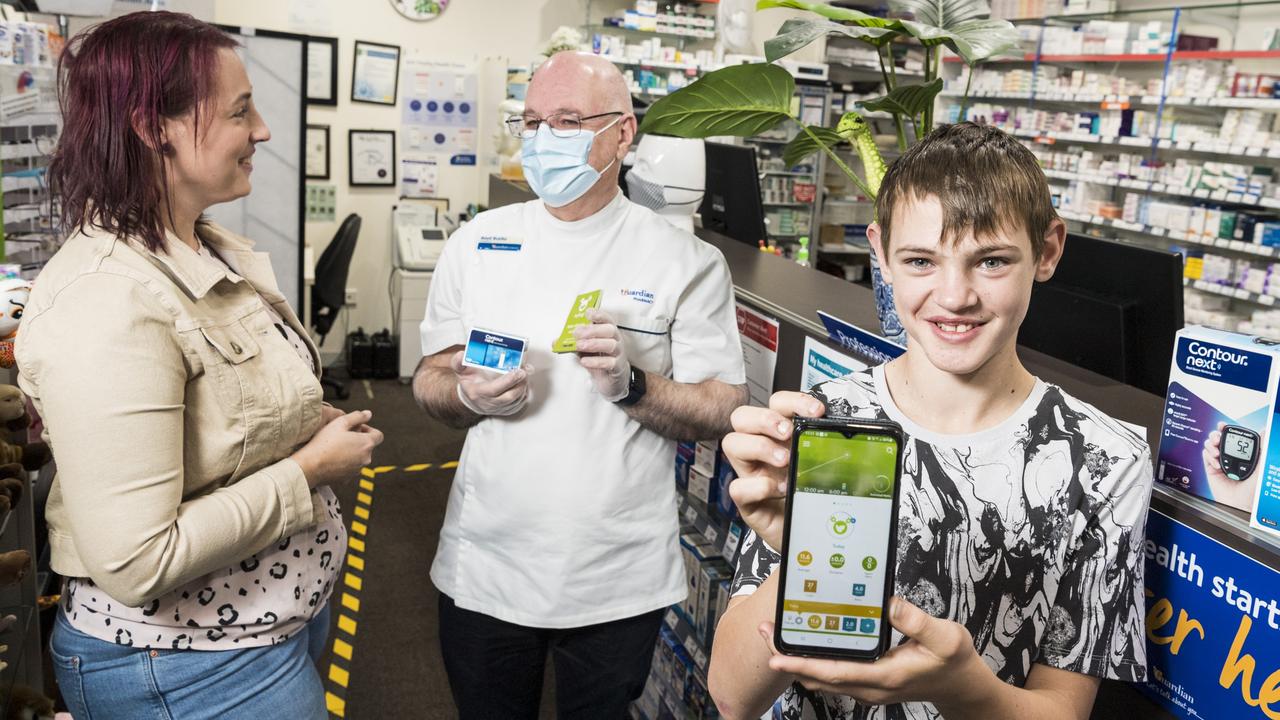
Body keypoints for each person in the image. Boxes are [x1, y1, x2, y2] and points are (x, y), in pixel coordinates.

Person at [710, 122, 1153, 720]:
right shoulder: (829, 419)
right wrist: (802, 549)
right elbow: (733, 696)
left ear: (1047, 251)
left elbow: (1063, 709)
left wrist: (962, 687)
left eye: (991, 261)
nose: (954, 296)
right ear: (881, 257)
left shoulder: (1104, 462)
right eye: (920, 260)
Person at [16, 12, 383, 719]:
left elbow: (221, 411)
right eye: (241, 110)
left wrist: (302, 421)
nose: (264, 131)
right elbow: (137, 559)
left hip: (262, 628)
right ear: (155, 127)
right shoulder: (107, 298)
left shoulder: (203, 248)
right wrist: (310, 469)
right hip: (188, 667)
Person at [413, 51, 748, 719]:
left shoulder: (685, 260)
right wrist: (467, 396)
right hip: (485, 567)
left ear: (623, 134)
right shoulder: (479, 242)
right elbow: (429, 379)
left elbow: (722, 406)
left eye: (567, 121)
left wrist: (633, 387)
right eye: (532, 121)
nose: (541, 139)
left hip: (615, 579)